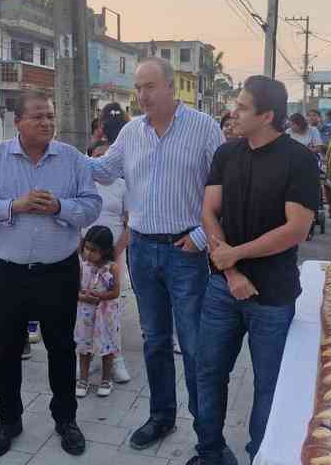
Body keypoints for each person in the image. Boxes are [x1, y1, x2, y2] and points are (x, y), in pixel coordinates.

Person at [0, 91, 102, 459]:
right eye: (38, 116)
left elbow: (91, 206)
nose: (47, 123)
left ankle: (66, 419)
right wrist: (14, 206)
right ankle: (8, 421)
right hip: (7, 272)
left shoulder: (72, 159)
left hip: (59, 271)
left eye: (50, 116)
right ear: (18, 121)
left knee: (61, 347)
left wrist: (59, 207)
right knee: (6, 348)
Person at [90, 58, 223, 451]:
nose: (142, 95)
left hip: (187, 252)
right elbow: (103, 170)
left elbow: (225, 186)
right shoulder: (131, 132)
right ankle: (161, 416)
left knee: (194, 345)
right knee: (155, 340)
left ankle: (207, 434)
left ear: (171, 87)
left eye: (149, 86)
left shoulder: (203, 128)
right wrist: (59, 154)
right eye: (138, 88)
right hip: (143, 250)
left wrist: (201, 236)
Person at [194, 75, 319, 464]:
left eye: (243, 107)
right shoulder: (226, 154)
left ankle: (259, 456)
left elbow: (296, 229)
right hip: (222, 288)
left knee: (270, 385)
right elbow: (208, 212)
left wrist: (236, 254)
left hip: (273, 295)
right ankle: (210, 452)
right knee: (208, 373)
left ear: (267, 116)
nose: (233, 112)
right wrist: (231, 271)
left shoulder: (299, 160)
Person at [86, 139, 131, 384]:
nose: (103, 160)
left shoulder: (123, 185)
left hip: (113, 257)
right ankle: (90, 354)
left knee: (111, 308)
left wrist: (114, 253)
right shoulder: (83, 182)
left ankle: (115, 358)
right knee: (87, 306)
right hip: (86, 258)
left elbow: (130, 223)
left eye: (107, 156)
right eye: (97, 155)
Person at [75, 226, 122, 398]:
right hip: (86, 315)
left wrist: (100, 296)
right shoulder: (83, 266)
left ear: (105, 250)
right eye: (86, 248)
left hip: (105, 315)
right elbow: (75, 290)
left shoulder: (112, 268)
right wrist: (83, 297)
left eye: (93, 250)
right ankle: (83, 379)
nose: (88, 253)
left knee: (106, 346)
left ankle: (106, 379)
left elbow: (115, 292)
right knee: (84, 346)